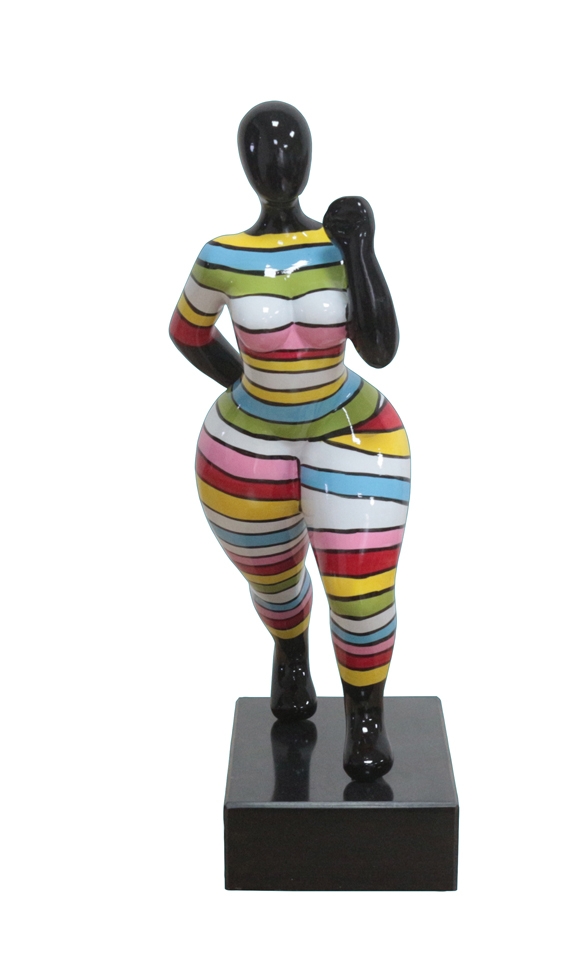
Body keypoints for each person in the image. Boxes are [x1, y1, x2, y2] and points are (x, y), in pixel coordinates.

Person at [169, 101, 410, 781]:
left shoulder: (337, 243)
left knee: (362, 590)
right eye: (264, 153)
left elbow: (381, 348)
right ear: (246, 166)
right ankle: (291, 651)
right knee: (272, 578)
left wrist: (359, 249)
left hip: (352, 431)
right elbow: (186, 332)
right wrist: (248, 387)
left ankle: (365, 719)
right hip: (246, 442)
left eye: (289, 150)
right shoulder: (222, 254)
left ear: (307, 160)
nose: (278, 165)